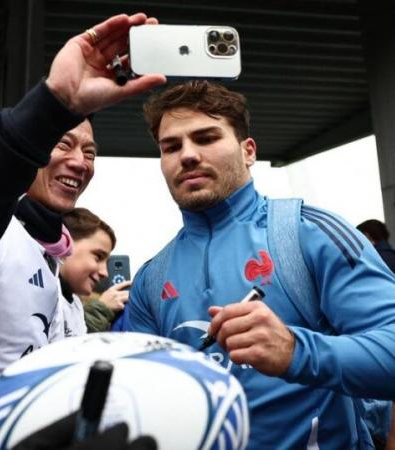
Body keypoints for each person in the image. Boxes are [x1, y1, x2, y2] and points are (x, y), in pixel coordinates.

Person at [0, 13, 166, 406]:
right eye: (63, 145)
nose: (80, 162)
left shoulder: (48, 257)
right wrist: (55, 103)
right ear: (34, 152)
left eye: (90, 153)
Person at [121, 80, 395, 448]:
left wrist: (296, 352)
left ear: (248, 150)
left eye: (205, 138)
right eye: (171, 146)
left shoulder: (308, 233)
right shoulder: (151, 277)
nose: (187, 155)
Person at [52, 207, 128, 337]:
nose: (105, 273)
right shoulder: (36, 291)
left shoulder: (75, 305)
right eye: (98, 257)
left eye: (106, 262)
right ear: (64, 243)